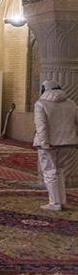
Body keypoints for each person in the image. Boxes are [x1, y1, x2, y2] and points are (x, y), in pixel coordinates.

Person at [33, 80, 78, 211]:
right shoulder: (71, 103)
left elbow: (41, 126)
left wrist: (44, 143)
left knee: (49, 172)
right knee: (59, 172)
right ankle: (61, 201)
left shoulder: (41, 104)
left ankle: (54, 203)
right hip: (68, 143)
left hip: (50, 144)